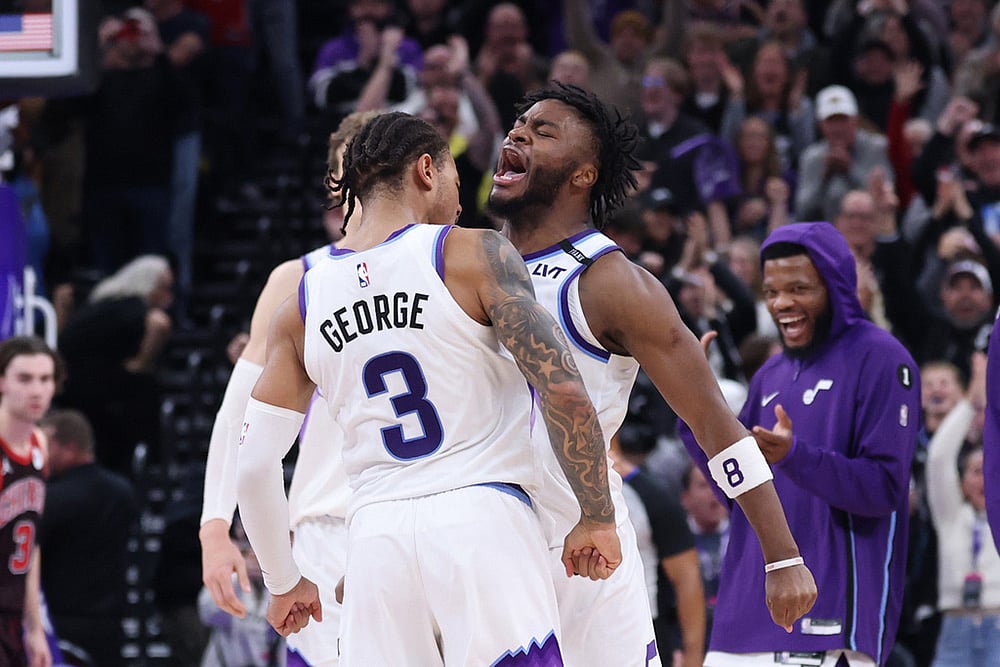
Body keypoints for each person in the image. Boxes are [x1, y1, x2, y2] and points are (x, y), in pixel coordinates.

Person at [236, 111, 621, 665]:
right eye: (456, 186)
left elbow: (253, 467)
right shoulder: (470, 252)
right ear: (426, 170)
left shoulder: (302, 300)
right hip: (482, 520)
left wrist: (283, 579)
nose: (461, 206)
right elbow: (561, 387)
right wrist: (597, 515)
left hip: (372, 542)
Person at [488, 82, 816, 667]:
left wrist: (782, 555)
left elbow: (715, 424)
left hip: (583, 541)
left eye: (543, 131)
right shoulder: (466, 263)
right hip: (485, 538)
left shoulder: (610, 282)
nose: (517, 133)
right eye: (519, 124)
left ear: (583, 174)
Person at [681, 221, 920, 665]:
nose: (782, 303)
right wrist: (693, 405)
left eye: (799, 288)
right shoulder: (771, 373)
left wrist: (795, 456)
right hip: (739, 625)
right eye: (771, 291)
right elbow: (737, 495)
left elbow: (885, 488)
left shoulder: (882, 358)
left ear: (837, 286)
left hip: (828, 625)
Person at [200, 111, 376, 667]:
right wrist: (213, 525)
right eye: (356, 173)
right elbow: (240, 416)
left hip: (433, 518)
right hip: (328, 528)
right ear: (335, 185)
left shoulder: (457, 263)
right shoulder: (298, 279)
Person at [37, 409, 137, 667]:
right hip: (110, 618)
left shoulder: (51, 497)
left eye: (47, 446)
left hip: (60, 617)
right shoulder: (122, 491)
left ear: (68, 447)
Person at [925, 351, 1000, 667]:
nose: (982, 479)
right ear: (962, 482)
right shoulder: (951, 514)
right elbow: (939, 458)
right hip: (954, 627)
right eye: (974, 471)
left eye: (990, 471)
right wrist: (970, 401)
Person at [0, 336, 61, 667]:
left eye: (45, 379)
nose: (37, 390)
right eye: (24, 379)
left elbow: (31, 540)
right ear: (2, 382)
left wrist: (35, 627)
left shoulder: (39, 443)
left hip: (12, 613)